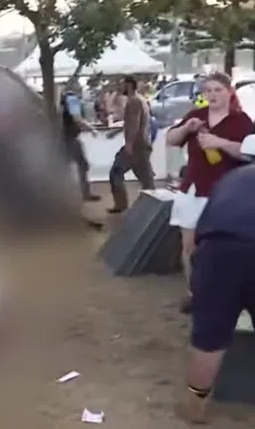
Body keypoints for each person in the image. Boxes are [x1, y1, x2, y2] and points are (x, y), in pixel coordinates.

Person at [174, 150, 255, 424]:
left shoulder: (230, 178)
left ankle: (195, 407)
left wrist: (199, 284)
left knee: (209, 337)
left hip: (216, 252)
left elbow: (193, 242)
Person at [165, 72, 252, 314]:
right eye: (208, 90)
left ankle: (228, 295)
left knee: (225, 246)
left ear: (229, 92)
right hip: (193, 188)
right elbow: (171, 139)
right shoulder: (196, 115)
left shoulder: (241, 121)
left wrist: (220, 143)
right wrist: (186, 128)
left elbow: (249, 153)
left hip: (226, 193)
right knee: (189, 245)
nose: (212, 95)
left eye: (217, 90)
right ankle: (194, 293)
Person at [106, 77, 155, 213]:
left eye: (122, 85)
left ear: (129, 85)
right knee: (146, 180)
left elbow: (134, 124)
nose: (120, 88)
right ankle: (151, 207)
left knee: (116, 172)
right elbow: (132, 123)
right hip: (141, 145)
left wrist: (129, 144)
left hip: (136, 147)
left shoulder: (133, 101)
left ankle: (123, 205)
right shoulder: (139, 99)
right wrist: (116, 132)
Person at [61, 89, 100, 202]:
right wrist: (92, 129)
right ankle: (85, 193)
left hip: (63, 138)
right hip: (70, 138)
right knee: (82, 165)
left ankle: (66, 194)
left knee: (66, 166)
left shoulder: (62, 103)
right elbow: (77, 119)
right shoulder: (72, 99)